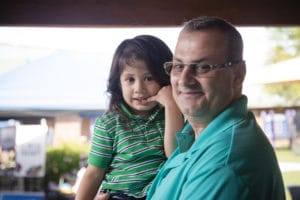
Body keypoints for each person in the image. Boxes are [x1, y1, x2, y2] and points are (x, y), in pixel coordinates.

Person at [146, 16, 286, 199]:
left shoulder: (223, 164)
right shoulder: (199, 134)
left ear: (238, 75)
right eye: (178, 66)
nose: (184, 80)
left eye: (204, 67)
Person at [75, 35, 183, 200]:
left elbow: (175, 155)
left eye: (149, 78)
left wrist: (171, 105)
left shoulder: (171, 116)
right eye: (130, 79)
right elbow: (93, 173)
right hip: (120, 196)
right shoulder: (109, 124)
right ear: (118, 83)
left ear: (165, 79)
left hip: (159, 194)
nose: (139, 88)